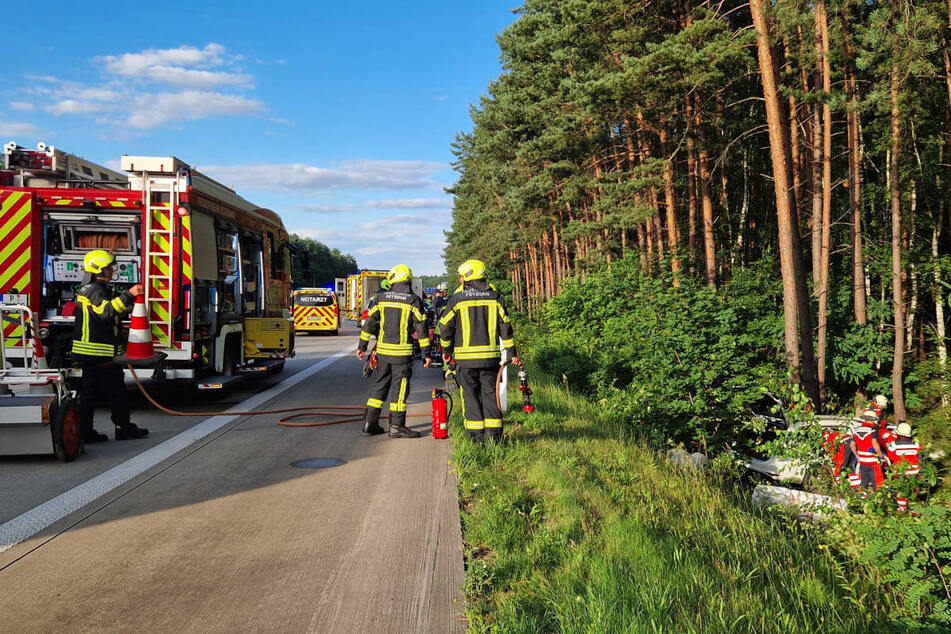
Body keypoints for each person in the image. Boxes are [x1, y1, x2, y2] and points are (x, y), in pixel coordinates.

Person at [72, 250, 149, 442]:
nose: (112, 271)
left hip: (95, 352)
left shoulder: (93, 288)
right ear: (99, 269)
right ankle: (122, 429)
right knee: (115, 393)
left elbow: (105, 318)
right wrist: (130, 294)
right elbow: (106, 311)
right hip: (98, 352)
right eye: (108, 268)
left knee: (93, 394)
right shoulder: (95, 290)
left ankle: (87, 433)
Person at [439, 259, 519, 443]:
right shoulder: (495, 297)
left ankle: (476, 439)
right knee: (490, 395)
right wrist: (512, 354)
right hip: (490, 360)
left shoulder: (457, 299)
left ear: (468, 276)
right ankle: (495, 438)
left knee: (470, 397)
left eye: (461, 276)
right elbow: (506, 328)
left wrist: (446, 349)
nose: (460, 280)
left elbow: (444, 326)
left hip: (465, 362)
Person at [357, 265, 431, 438]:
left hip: (382, 353)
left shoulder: (380, 298)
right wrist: (426, 354)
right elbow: (421, 330)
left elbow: (369, 324)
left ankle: (370, 423)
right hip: (401, 355)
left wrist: (362, 347)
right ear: (407, 280)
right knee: (400, 389)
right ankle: (397, 427)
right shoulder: (413, 301)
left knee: (380, 386)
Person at [887, 422, 921, 513]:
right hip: (914, 472)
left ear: (898, 433)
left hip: (900, 472)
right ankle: (914, 510)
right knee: (913, 490)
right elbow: (920, 458)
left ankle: (902, 509)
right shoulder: (916, 444)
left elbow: (890, 457)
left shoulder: (894, 445)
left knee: (901, 490)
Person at [851, 411, 885, 491]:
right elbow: (875, 445)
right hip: (873, 462)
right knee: (878, 484)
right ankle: (878, 500)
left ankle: (862, 500)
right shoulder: (873, 430)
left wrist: (857, 455)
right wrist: (881, 456)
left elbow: (852, 445)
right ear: (873, 420)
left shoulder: (856, 430)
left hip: (862, 462)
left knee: (863, 484)